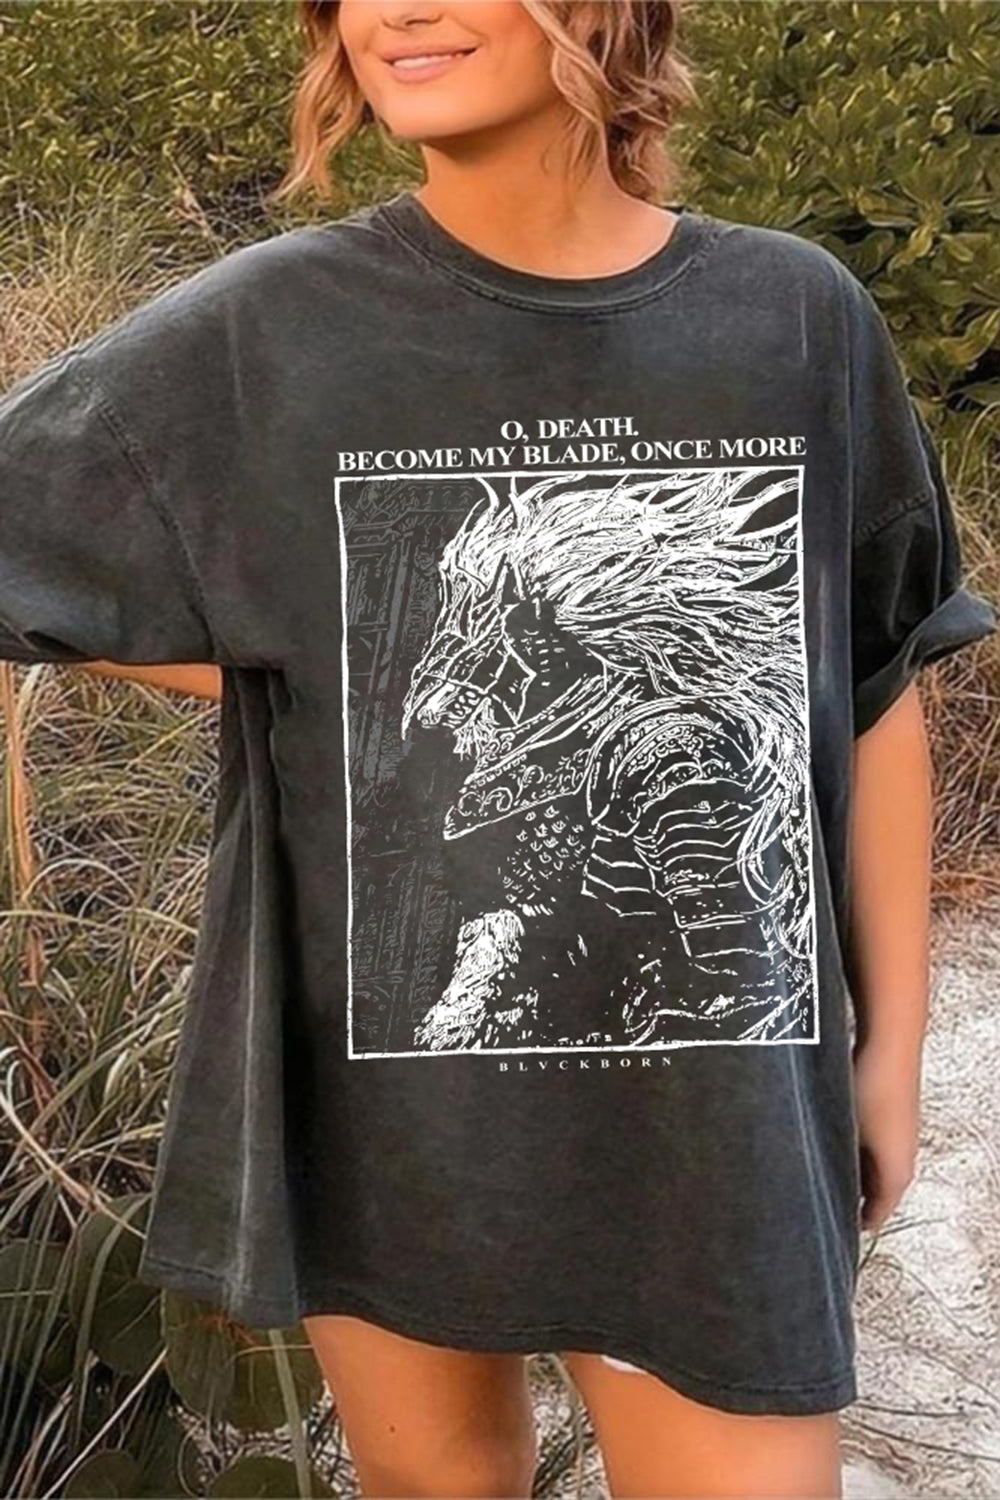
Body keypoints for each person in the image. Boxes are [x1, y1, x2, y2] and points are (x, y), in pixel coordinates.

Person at [0, 1, 995, 1495]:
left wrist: (891, 1051)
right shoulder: (271, 324)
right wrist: (316, 662)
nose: (397, 10)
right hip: (385, 1118)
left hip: (708, 1131)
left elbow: (873, 680)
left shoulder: (790, 316)